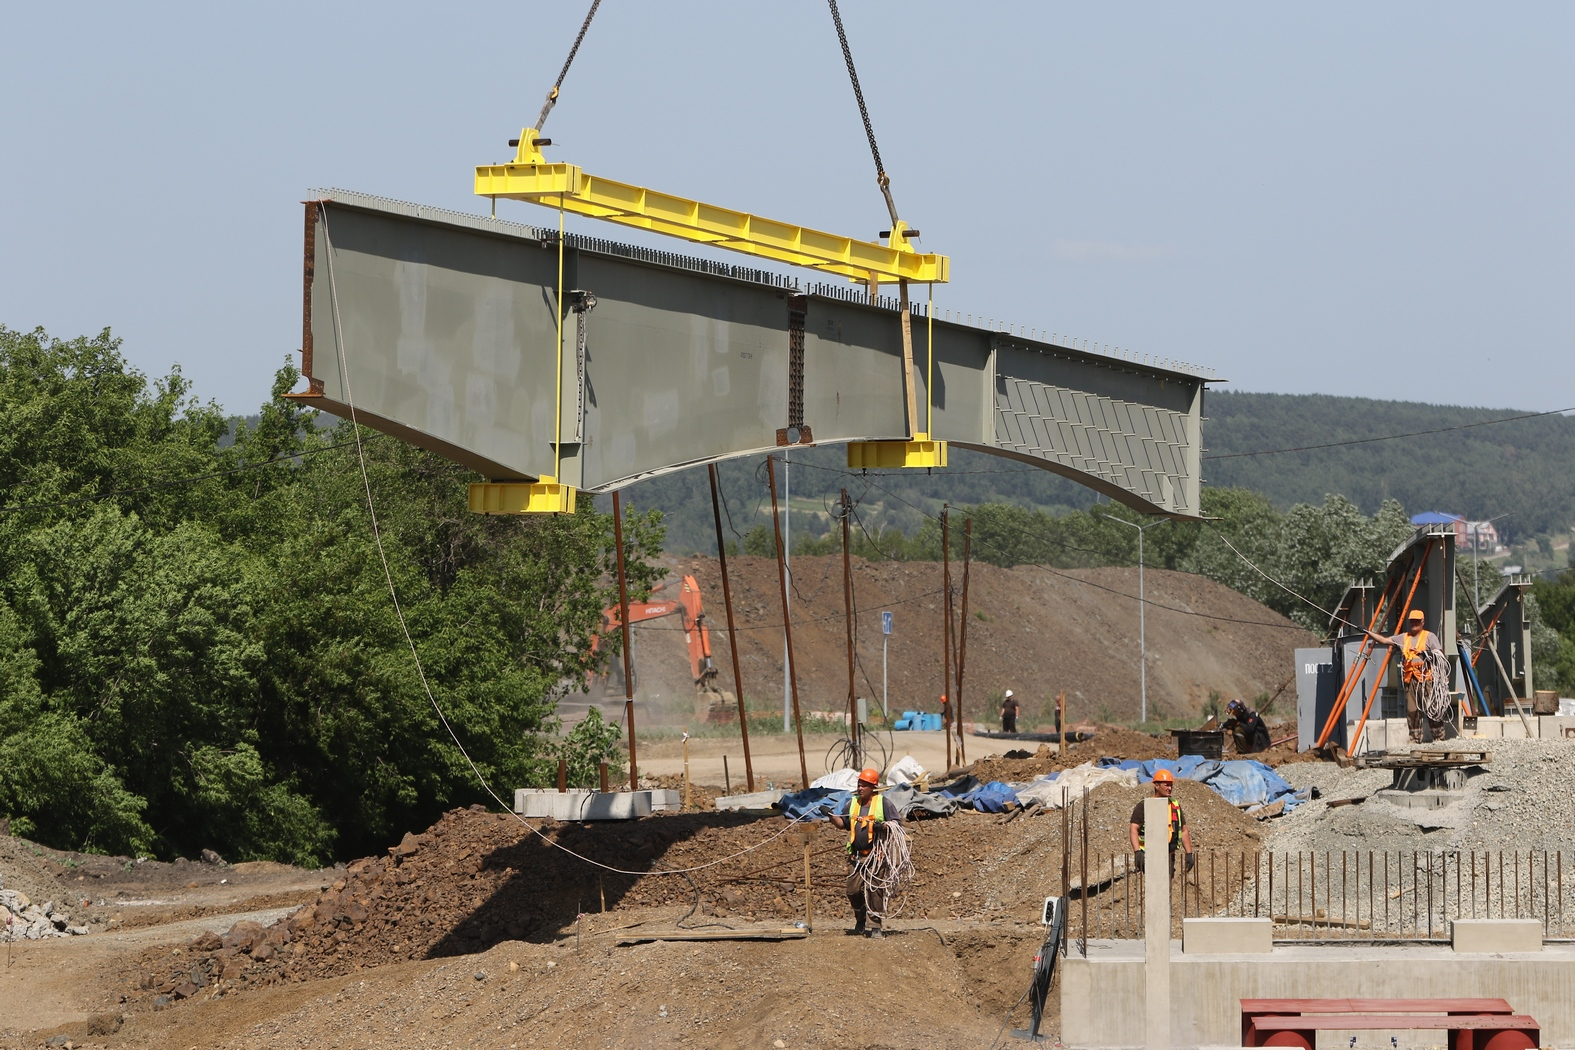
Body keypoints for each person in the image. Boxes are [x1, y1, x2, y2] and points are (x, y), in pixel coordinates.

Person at [828, 766, 903, 938]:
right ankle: (860, 919)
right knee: (853, 891)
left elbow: (897, 825)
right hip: (856, 857)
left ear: (873, 787)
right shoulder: (852, 803)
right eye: (859, 784)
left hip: (876, 856)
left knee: (874, 890)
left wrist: (882, 826)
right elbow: (843, 824)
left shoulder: (883, 803)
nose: (860, 788)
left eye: (864, 785)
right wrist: (831, 816)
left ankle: (875, 925)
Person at [1366, 608, 1447, 743]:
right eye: (1412, 621)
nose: (1414, 623)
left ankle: (1439, 737)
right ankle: (1415, 739)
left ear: (1422, 622)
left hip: (1426, 679)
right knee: (1412, 710)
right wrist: (1368, 633)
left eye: (1417, 621)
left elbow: (1439, 655)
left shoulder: (1429, 637)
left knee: (1432, 708)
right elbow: (1385, 641)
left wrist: (1425, 654)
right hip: (1411, 680)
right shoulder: (1403, 638)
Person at [1128, 769, 1194, 875]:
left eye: (1171, 785)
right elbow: (1133, 828)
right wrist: (1137, 852)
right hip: (1150, 856)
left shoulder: (1174, 805)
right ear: (1157, 786)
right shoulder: (1144, 805)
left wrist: (1189, 853)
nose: (1169, 788)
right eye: (1166, 785)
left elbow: (1184, 830)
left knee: (1167, 889)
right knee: (1154, 889)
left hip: (1169, 855)